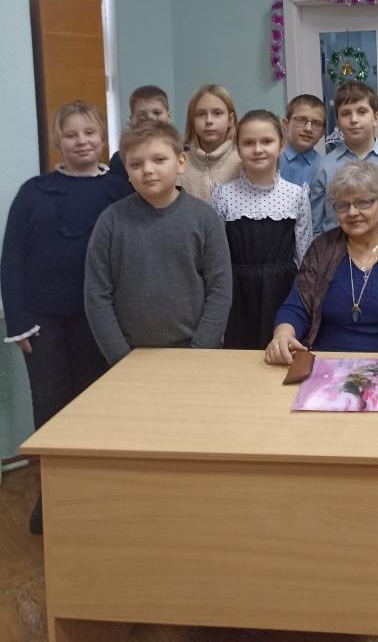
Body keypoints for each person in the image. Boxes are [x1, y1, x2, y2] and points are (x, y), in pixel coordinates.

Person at [1, 101, 132, 534]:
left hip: (101, 319)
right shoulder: (34, 192)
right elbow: (13, 256)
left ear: (103, 138)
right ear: (58, 140)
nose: (81, 141)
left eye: (89, 133)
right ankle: (53, 495)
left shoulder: (120, 189)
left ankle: (94, 491)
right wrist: (17, 320)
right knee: (51, 404)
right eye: (71, 134)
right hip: (43, 321)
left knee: (95, 404)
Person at [266, 161, 378, 363]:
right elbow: (295, 308)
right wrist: (283, 335)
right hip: (325, 364)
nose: (352, 212)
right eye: (343, 205)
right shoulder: (322, 249)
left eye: (363, 202)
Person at [85, 122, 232, 366]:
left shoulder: (205, 219)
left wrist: (200, 350)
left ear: (181, 162)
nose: (148, 170)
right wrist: (120, 357)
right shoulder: (110, 222)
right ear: (127, 172)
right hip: (130, 355)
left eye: (159, 160)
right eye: (136, 164)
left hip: (195, 352)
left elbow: (220, 290)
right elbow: (97, 295)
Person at [213, 110, 312, 349]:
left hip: (283, 292)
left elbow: (304, 254)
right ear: (237, 149)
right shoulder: (223, 195)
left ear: (281, 146)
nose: (258, 149)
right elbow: (216, 255)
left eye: (266, 141)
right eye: (248, 143)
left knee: (281, 353)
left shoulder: (296, 195)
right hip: (237, 293)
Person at [310, 81, 378, 235]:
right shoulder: (324, 166)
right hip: (335, 247)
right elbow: (315, 225)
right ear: (337, 122)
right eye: (346, 114)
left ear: (376, 118)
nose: (354, 119)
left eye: (362, 112)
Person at [178, 84, 241, 203]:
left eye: (217, 113)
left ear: (230, 120)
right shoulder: (180, 164)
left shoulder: (242, 161)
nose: (209, 121)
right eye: (200, 114)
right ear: (192, 120)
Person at [109, 84, 172, 179]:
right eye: (141, 115)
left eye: (157, 112)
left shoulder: (181, 152)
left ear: (168, 115)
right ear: (132, 119)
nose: (150, 118)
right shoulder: (120, 159)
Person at [279, 93, 326, 187]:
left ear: (323, 132)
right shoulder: (270, 160)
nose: (308, 129)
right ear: (286, 124)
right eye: (301, 120)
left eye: (316, 123)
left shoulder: (324, 168)